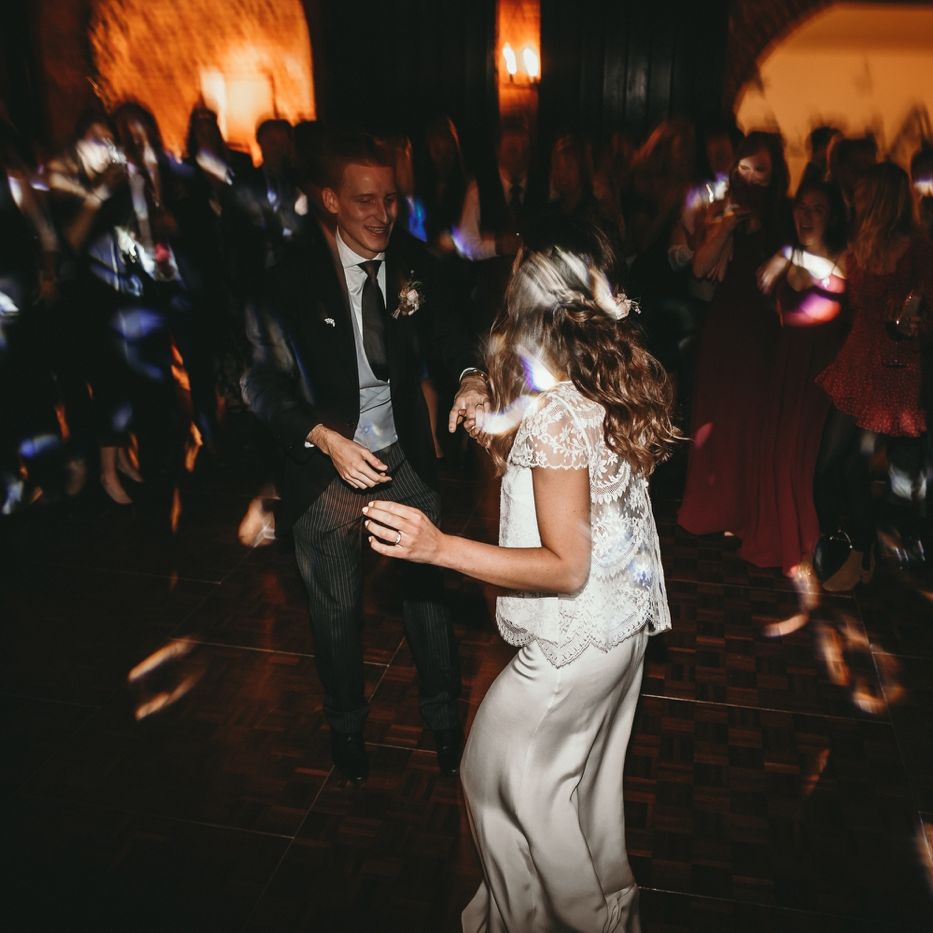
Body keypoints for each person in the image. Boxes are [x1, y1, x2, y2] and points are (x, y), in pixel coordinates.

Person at [362, 220, 676, 931]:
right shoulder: (602, 381)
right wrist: (485, 403)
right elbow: (567, 490)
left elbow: (564, 566)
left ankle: (572, 919)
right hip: (619, 629)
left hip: (576, 639)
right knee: (582, 790)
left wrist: (436, 548)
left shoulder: (561, 412)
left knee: (502, 779)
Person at [241, 131, 489, 783]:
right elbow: (258, 380)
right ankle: (346, 727)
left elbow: (448, 332)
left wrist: (467, 374)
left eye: (389, 199)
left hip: (404, 458)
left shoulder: (414, 265)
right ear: (329, 200)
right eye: (364, 200)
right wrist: (321, 436)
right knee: (335, 614)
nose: (382, 214)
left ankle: (443, 723)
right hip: (324, 472)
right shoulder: (285, 279)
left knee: (427, 602)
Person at [814, 162, 933, 590]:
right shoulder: (859, 242)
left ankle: (851, 555)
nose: (856, 199)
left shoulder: (918, 250)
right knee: (837, 469)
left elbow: (925, 312)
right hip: (857, 361)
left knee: (842, 469)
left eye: (864, 194)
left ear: (881, 198)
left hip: (891, 370)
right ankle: (853, 554)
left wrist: (919, 325)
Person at [677, 131, 792, 543]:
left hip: (764, 328)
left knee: (752, 420)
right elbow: (700, 267)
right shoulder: (723, 212)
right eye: (743, 168)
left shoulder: (785, 217)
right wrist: (727, 223)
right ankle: (713, 506)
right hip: (726, 324)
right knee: (718, 417)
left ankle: (746, 513)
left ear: (774, 173)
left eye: (759, 170)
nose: (750, 177)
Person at [742, 180, 848, 577]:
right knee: (775, 453)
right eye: (801, 207)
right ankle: (776, 537)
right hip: (784, 369)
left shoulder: (842, 260)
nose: (805, 215)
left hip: (820, 377)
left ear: (833, 215)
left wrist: (787, 254)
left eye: (817, 208)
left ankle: (803, 545)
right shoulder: (786, 258)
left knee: (799, 459)